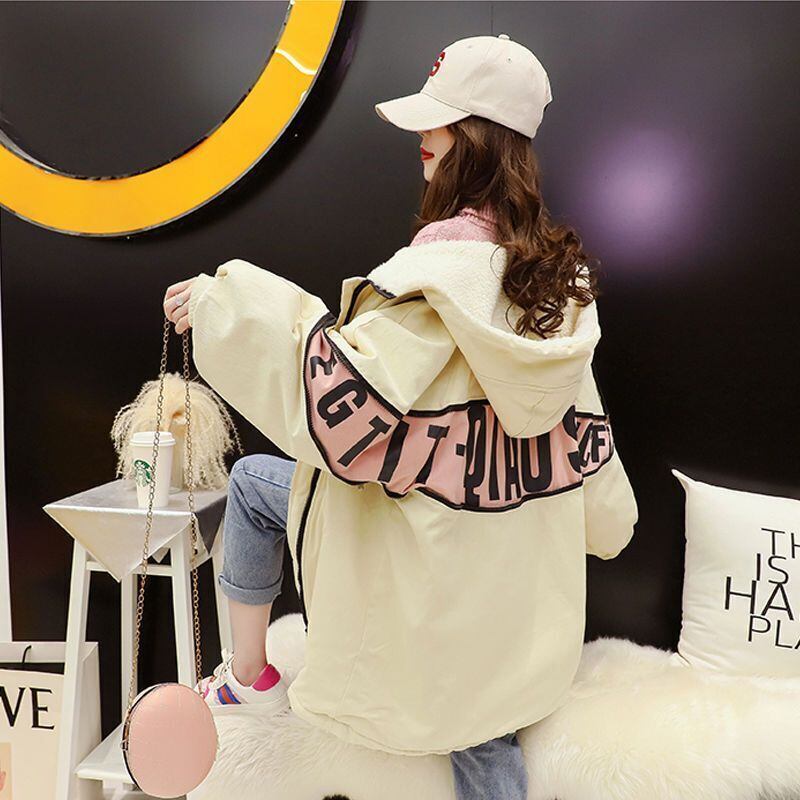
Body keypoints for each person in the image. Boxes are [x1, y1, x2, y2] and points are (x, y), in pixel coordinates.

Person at [163, 34, 638, 800]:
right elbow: (585, 437)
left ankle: (249, 677)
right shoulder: (549, 284)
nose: (423, 138)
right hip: (504, 576)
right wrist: (607, 518)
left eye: (438, 123)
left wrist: (224, 303)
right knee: (486, 722)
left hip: (425, 559)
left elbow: (340, 404)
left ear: (473, 139)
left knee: (251, 482)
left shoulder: (438, 274)